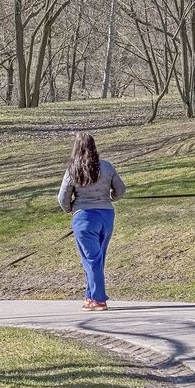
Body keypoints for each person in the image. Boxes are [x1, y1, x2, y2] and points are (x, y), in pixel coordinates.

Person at [57, 133, 126, 311]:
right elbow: (120, 190)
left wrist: (70, 208)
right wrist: (110, 198)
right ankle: (90, 296)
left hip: (84, 217)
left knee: (91, 259)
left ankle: (98, 299)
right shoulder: (107, 167)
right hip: (106, 216)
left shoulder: (72, 170)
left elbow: (63, 198)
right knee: (97, 258)